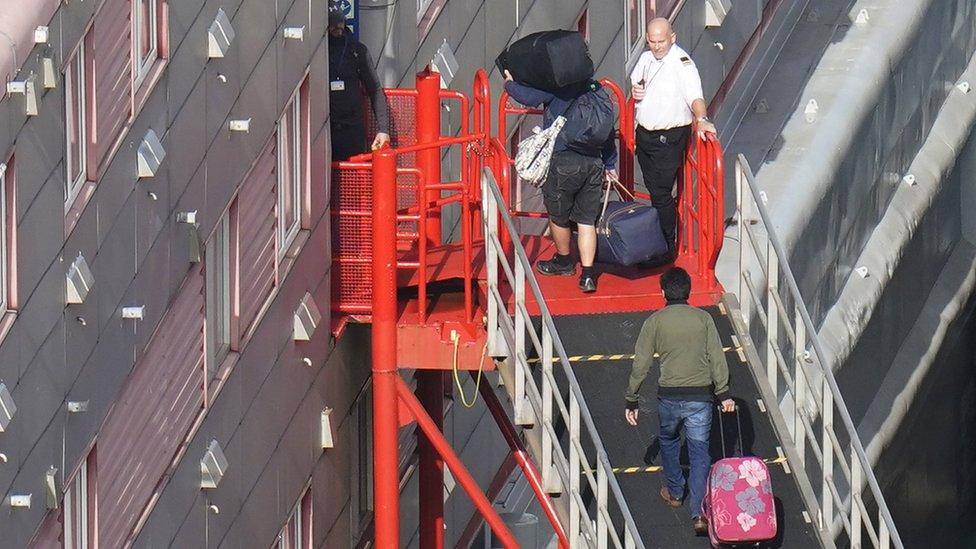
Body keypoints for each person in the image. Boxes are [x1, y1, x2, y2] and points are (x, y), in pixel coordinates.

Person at [624, 267, 735, 535]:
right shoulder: (703, 319)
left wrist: (632, 398)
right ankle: (699, 513)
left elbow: (641, 363)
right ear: (689, 291)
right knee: (700, 453)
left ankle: (675, 491)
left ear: (663, 292)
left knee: (669, 441)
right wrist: (724, 393)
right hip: (700, 398)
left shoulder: (654, 322)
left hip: (669, 398)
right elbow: (717, 358)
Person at [503, 70, 618, 293]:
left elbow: (528, 97)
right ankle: (587, 275)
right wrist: (610, 164)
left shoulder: (559, 86)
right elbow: (607, 133)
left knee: (558, 216)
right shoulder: (597, 90)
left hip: (563, 160)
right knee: (586, 221)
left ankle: (564, 262)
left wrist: (509, 84)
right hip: (594, 163)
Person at [630, 18, 716, 261]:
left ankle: (667, 246)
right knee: (653, 187)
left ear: (672, 38)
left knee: (660, 192)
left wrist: (702, 118)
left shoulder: (682, 64)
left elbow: (695, 96)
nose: (656, 46)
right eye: (652, 41)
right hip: (646, 133)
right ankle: (661, 241)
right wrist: (636, 90)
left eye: (661, 41)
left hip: (669, 135)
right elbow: (636, 81)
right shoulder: (646, 58)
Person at [328, 4, 390, 161]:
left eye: (340, 23)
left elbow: (375, 89)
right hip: (326, 130)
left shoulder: (357, 50)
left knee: (355, 177)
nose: (338, 28)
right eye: (333, 25)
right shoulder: (320, 50)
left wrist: (383, 129)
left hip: (352, 130)